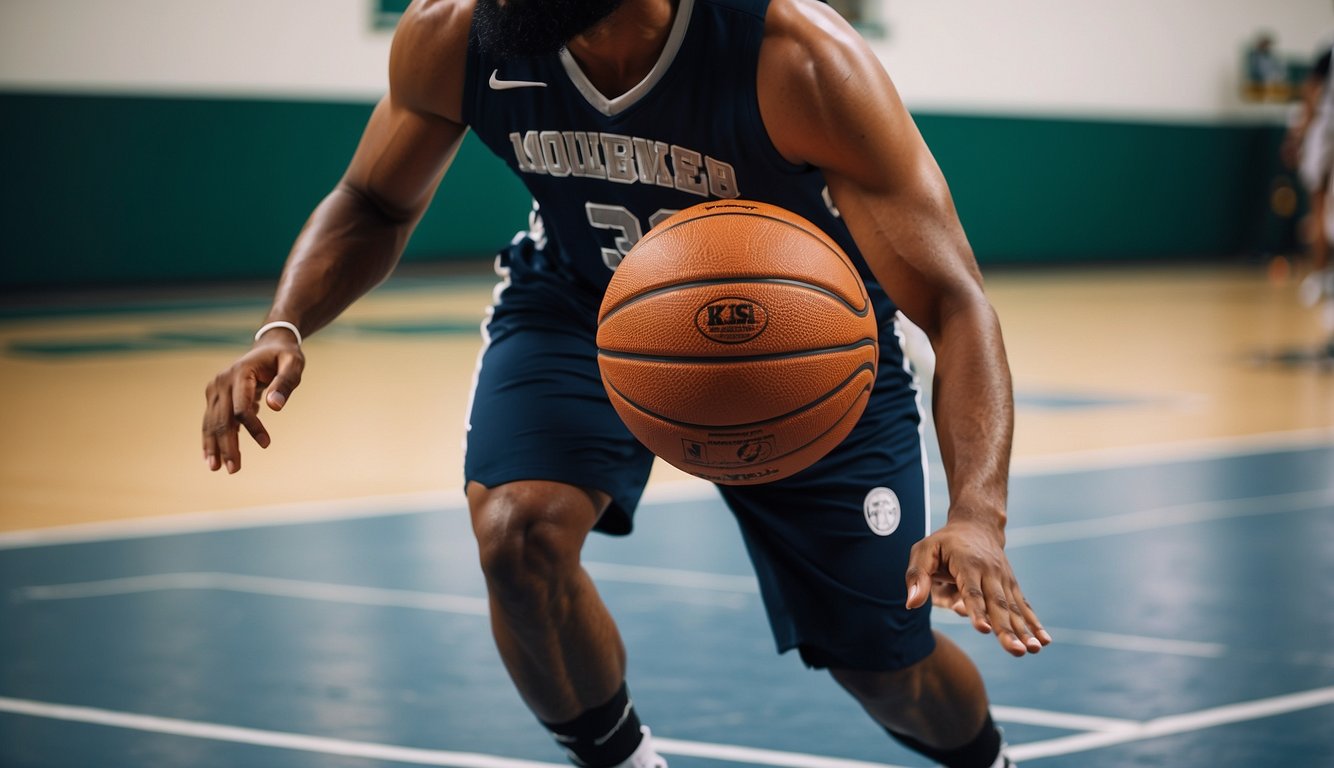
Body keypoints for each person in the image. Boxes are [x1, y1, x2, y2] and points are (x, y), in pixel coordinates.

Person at [201, 0, 1052, 766]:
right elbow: (371, 200)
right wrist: (284, 323)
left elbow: (953, 300)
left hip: (801, 348)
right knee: (515, 530)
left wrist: (977, 514)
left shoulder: (796, 58)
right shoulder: (455, 35)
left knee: (885, 669)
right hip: (581, 301)